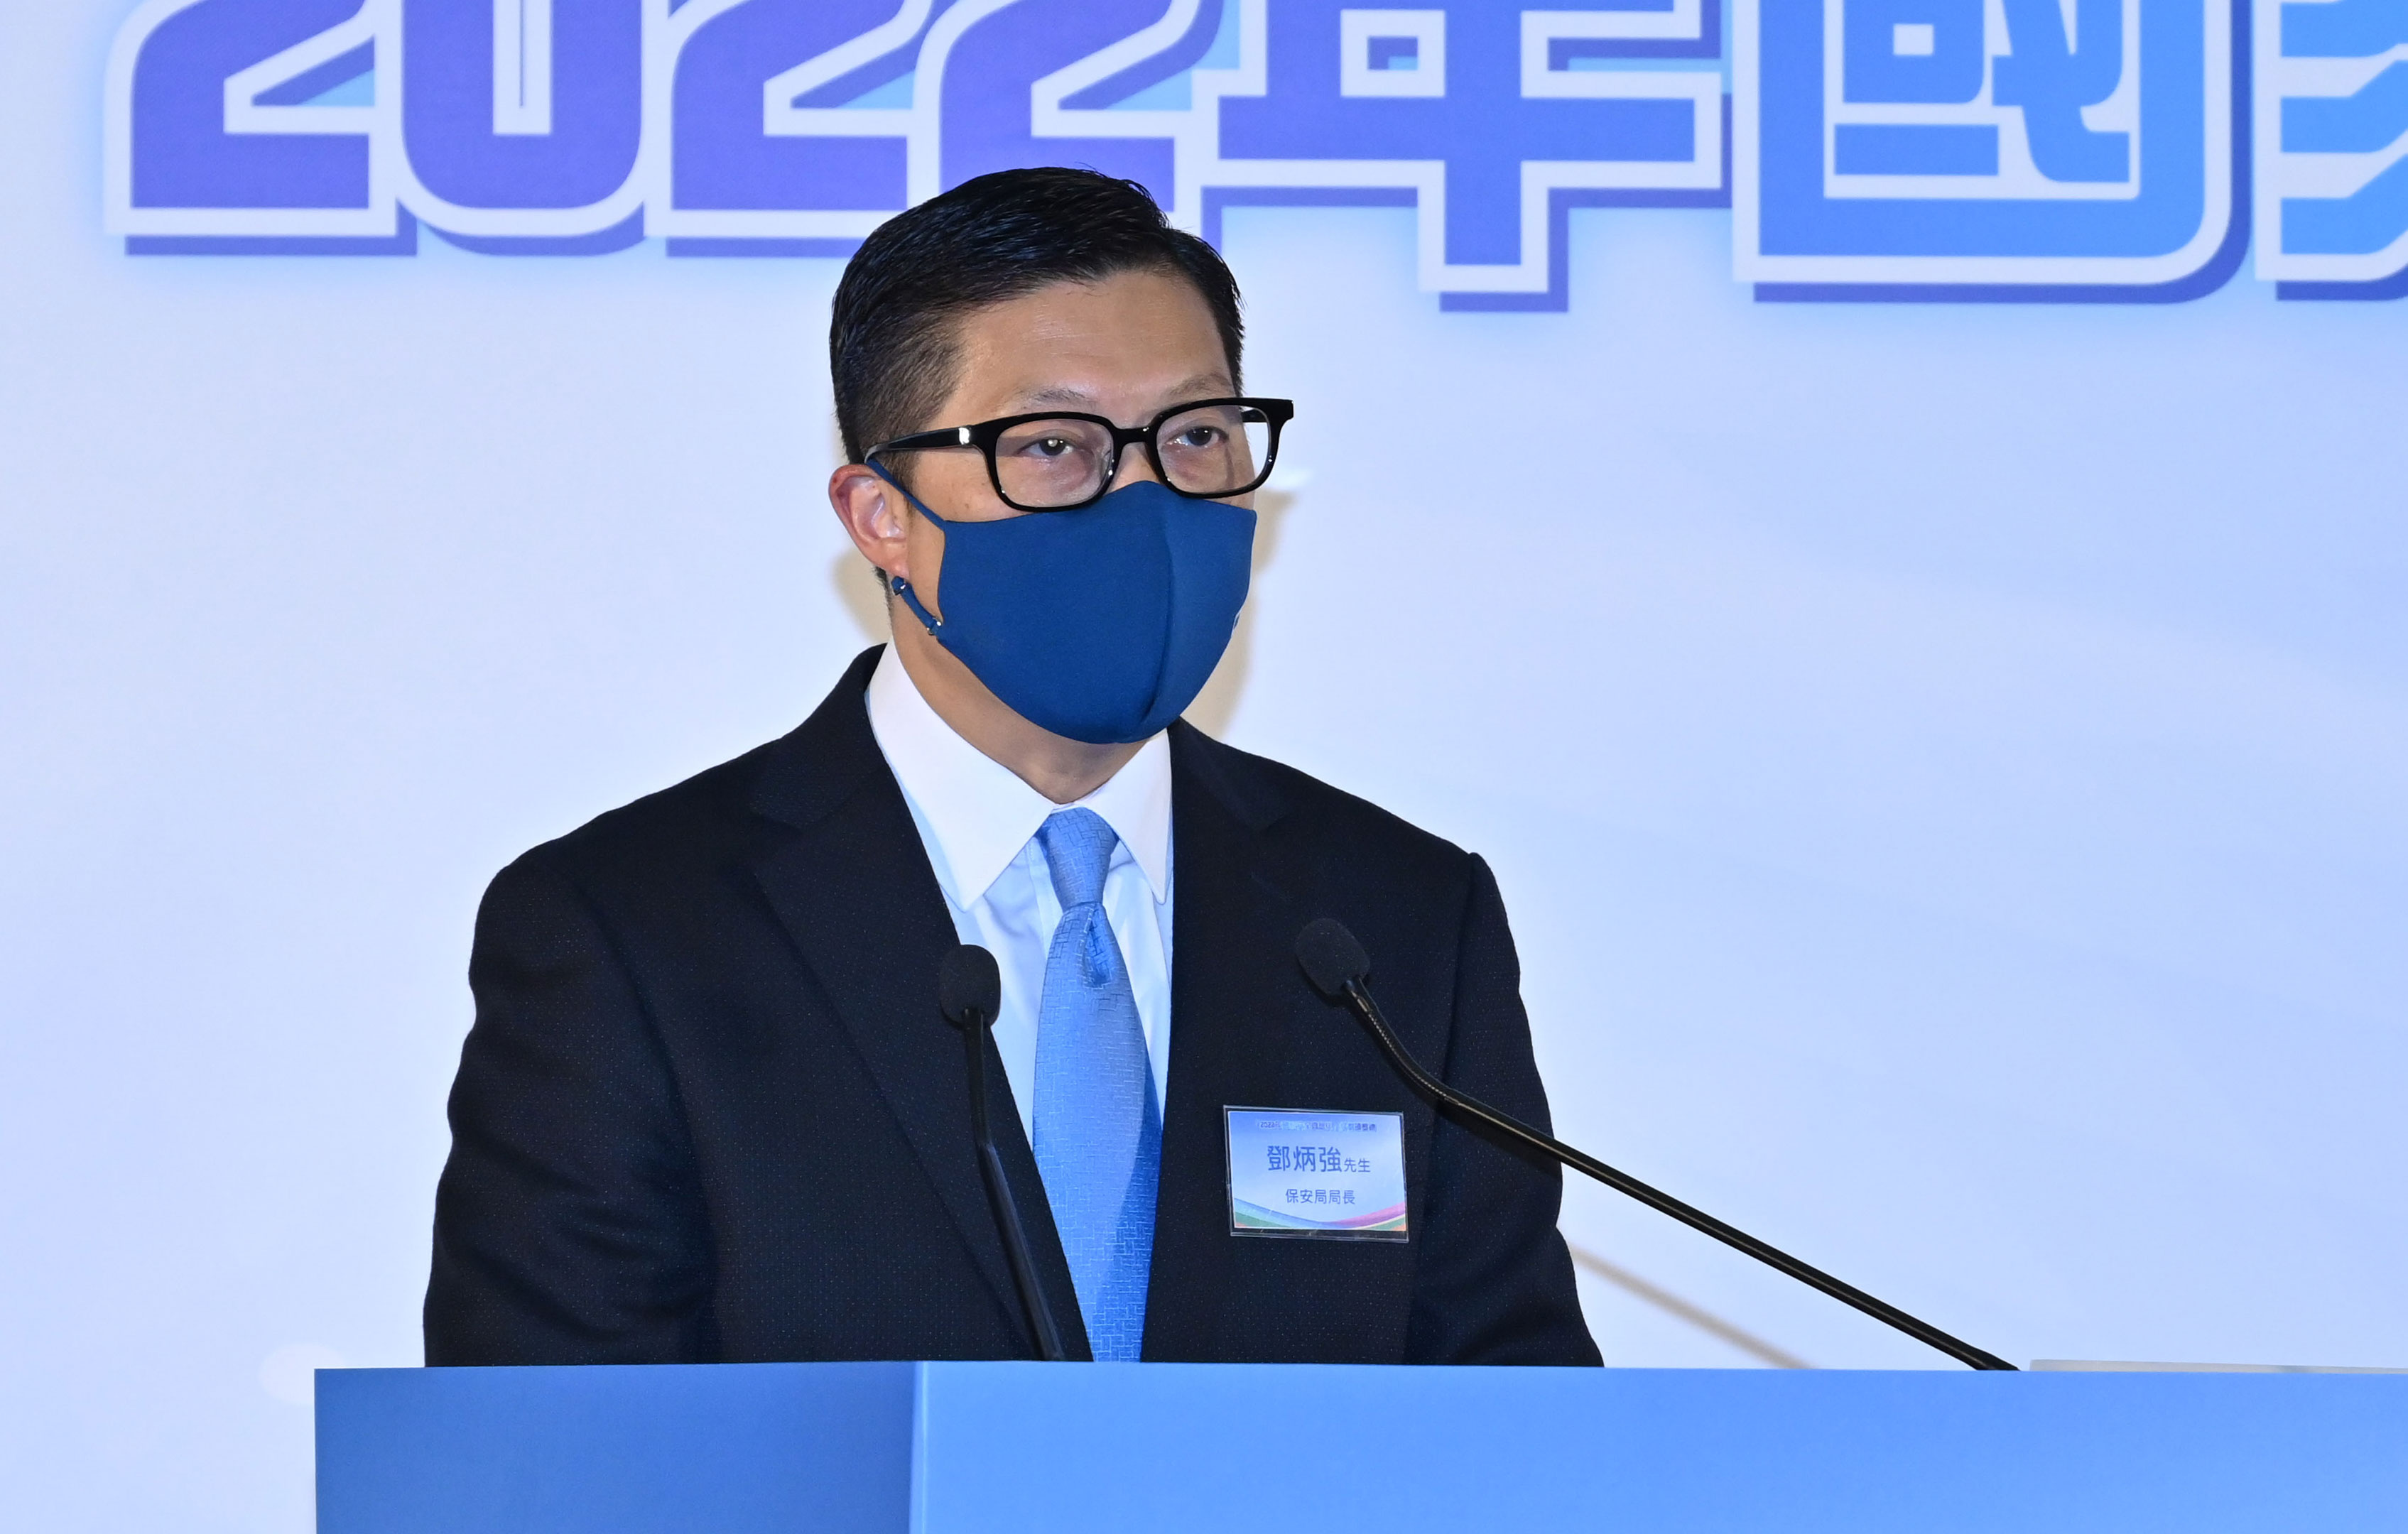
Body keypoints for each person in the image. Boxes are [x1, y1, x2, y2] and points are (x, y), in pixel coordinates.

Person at [423, 168, 1599, 1367]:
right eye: (1052, 447)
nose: (1144, 498)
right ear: (881, 516)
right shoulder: (631, 928)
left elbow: (1520, 1417)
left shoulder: (1396, 925)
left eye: (1195, 435)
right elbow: (543, 1439)